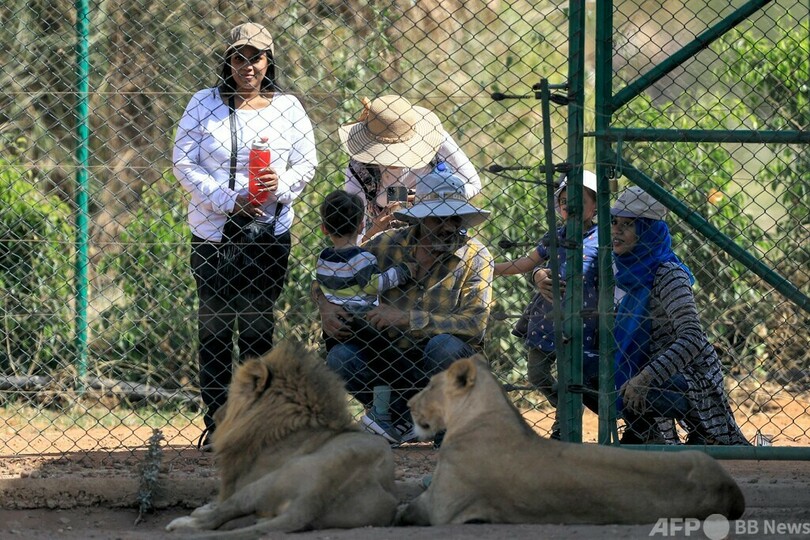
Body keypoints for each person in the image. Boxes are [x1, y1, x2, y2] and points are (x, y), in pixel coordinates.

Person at [173, 22, 318, 448]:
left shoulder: (288, 107)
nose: (247, 66)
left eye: (255, 57)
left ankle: (257, 423)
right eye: (238, 57)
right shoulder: (204, 103)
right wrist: (224, 198)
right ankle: (218, 422)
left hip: (267, 233)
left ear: (269, 60)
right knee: (215, 327)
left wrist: (282, 184)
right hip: (213, 233)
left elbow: (307, 162)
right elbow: (183, 161)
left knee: (257, 329)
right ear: (228, 62)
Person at [313, 165, 494, 443]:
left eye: (455, 219)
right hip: (390, 357)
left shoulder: (475, 255)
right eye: (438, 219)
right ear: (420, 219)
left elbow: (475, 324)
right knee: (341, 357)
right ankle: (398, 416)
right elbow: (335, 273)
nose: (448, 227)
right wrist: (325, 306)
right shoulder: (384, 245)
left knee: (443, 346)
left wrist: (408, 318)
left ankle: (444, 424)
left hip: (442, 363)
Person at [610, 186, 748, 445]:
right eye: (614, 222)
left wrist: (646, 377)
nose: (616, 230)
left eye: (627, 225)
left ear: (647, 231)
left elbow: (692, 338)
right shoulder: (617, 270)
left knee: (642, 386)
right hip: (643, 365)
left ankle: (704, 433)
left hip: (690, 373)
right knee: (591, 372)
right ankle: (644, 430)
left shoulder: (668, 273)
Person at [495, 171, 600, 438]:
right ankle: (567, 410)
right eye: (564, 201)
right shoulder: (555, 236)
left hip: (582, 322)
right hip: (546, 319)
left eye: (578, 200)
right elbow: (527, 263)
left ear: (597, 205)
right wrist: (488, 267)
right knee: (536, 373)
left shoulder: (604, 238)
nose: (569, 206)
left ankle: (564, 425)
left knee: (570, 376)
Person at [339, 95, 481, 240]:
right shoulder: (358, 169)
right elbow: (355, 234)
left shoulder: (435, 139)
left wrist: (423, 195)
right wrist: (375, 231)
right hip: (387, 243)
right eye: (384, 151)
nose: (391, 159)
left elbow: (473, 184)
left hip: (439, 232)